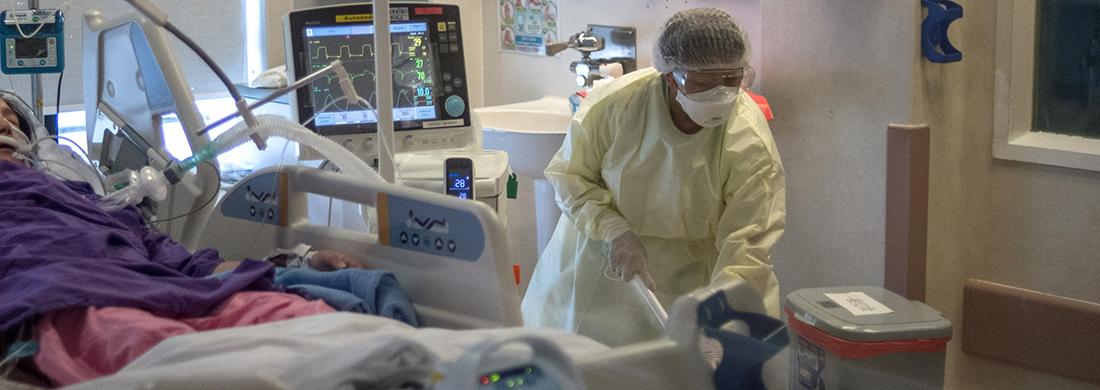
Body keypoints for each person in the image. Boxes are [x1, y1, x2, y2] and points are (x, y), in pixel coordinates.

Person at [0, 92, 370, 387]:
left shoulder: (90, 202)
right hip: (67, 301)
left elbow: (193, 265)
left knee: (310, 318)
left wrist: (301, 260)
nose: (4, 124)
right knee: (166, 355)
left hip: (163, 292)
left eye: (10, 117)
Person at [521, 8, 786, 347]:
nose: (720, 94)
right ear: (670, 76)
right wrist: (614, 229)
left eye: (732, 81)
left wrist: (722, 321)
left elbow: (748, 242)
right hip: (602, 259)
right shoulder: (618, 106)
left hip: (696, 279)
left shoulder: (747, 138)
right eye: (704, 84)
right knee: (583, 366)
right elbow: (570, 176)